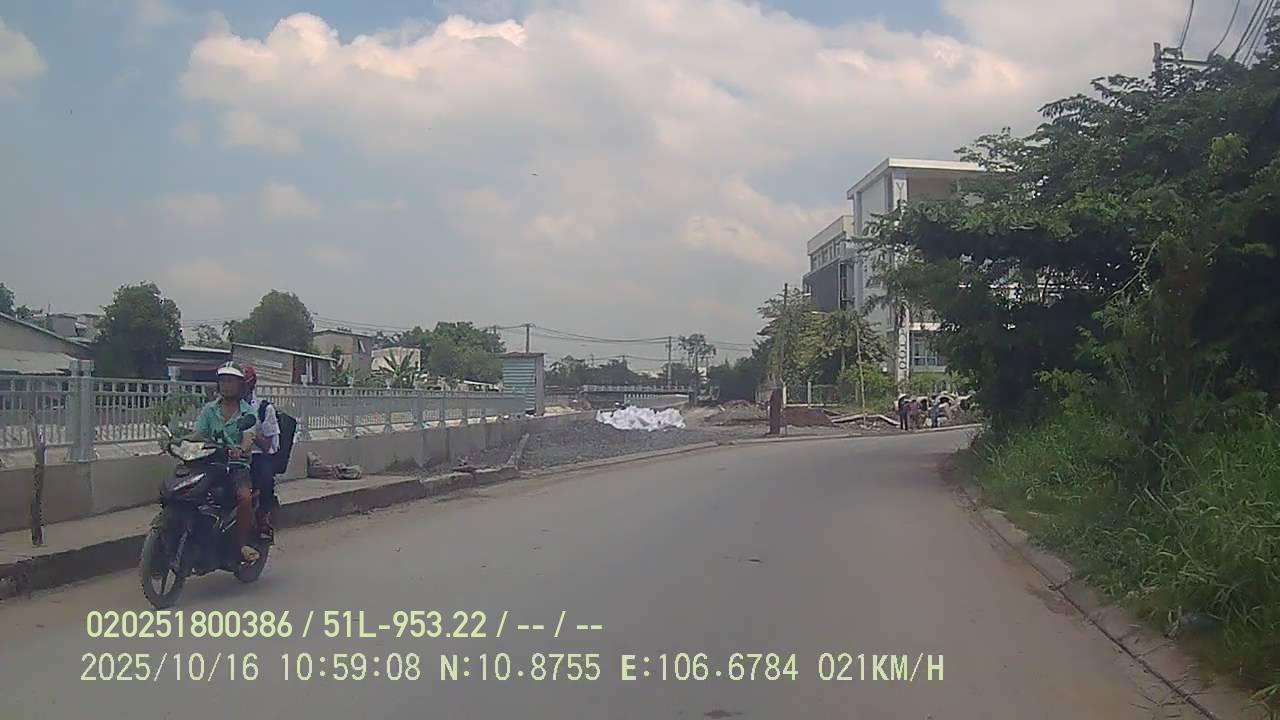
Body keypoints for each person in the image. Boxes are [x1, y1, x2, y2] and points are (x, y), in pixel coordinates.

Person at [193, 362, 260, 563]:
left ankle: (242, 544)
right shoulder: (209, 409)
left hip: (237, 466)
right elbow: (199, 434)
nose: (226, 385)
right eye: (223, 381)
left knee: (244, 498)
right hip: (211, 463)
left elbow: (249, 437)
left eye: (231, 381)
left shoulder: (247, 412)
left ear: (241, 385)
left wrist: (241, 450)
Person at [243, 365, 280, 543]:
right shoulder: (217, 407)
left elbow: (267, 445)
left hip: (256, 454)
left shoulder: (263, 409)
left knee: (265, 479)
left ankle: (263, 520)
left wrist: (251, 435)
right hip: (229, 453)